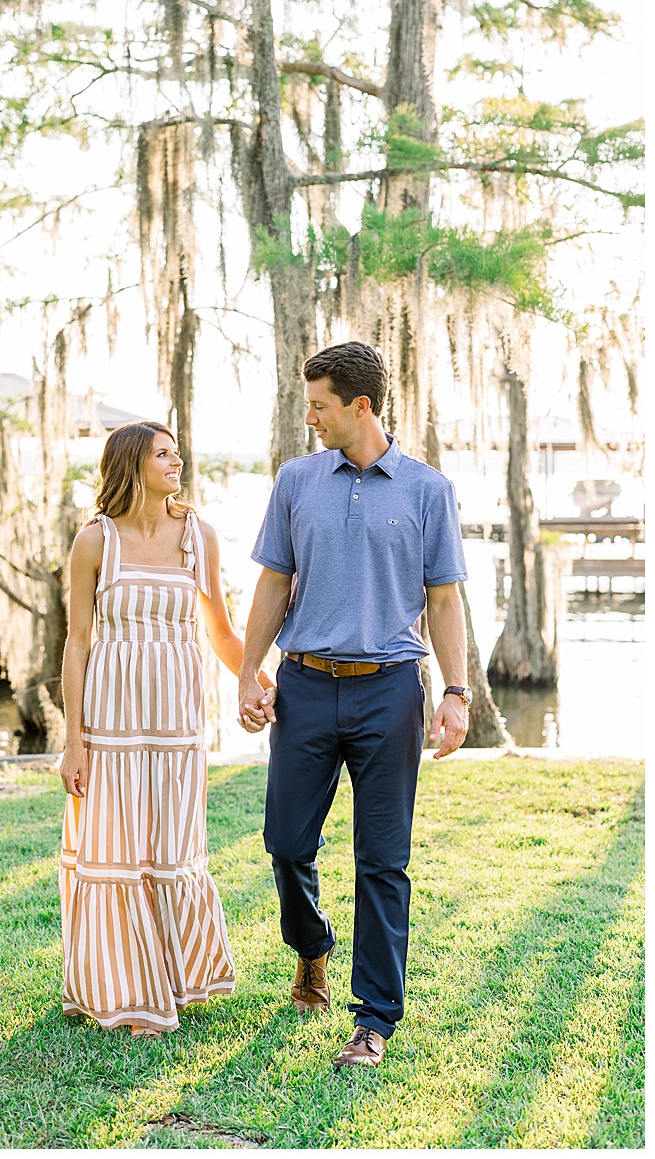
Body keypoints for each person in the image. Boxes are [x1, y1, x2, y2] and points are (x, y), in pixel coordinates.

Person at [237, 341, 470, 1070]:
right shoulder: (296, 479)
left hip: (390, 688)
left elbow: (443, 600)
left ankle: (373, 1019)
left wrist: (457, 694)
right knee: (285, 842)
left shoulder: (427, 490)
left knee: (383, 861)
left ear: (360, 406)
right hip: (304, 685)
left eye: (320, 406)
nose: (309, 418)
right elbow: (274, 583)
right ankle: (312, 948)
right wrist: (249, 671)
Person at [57, 421, 271, 1037]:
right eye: (163, 454)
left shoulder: (198, 537)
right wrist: (74, 741)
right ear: (131, 465)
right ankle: (124, 988)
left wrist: (252, 679)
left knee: (173, 848)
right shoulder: (95, 541)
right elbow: (77, 642)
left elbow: (222, 634)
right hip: (112, 721)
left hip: (178, 720)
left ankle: (174, 976)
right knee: (118, 850)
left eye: (177, 452)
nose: (176, 462)